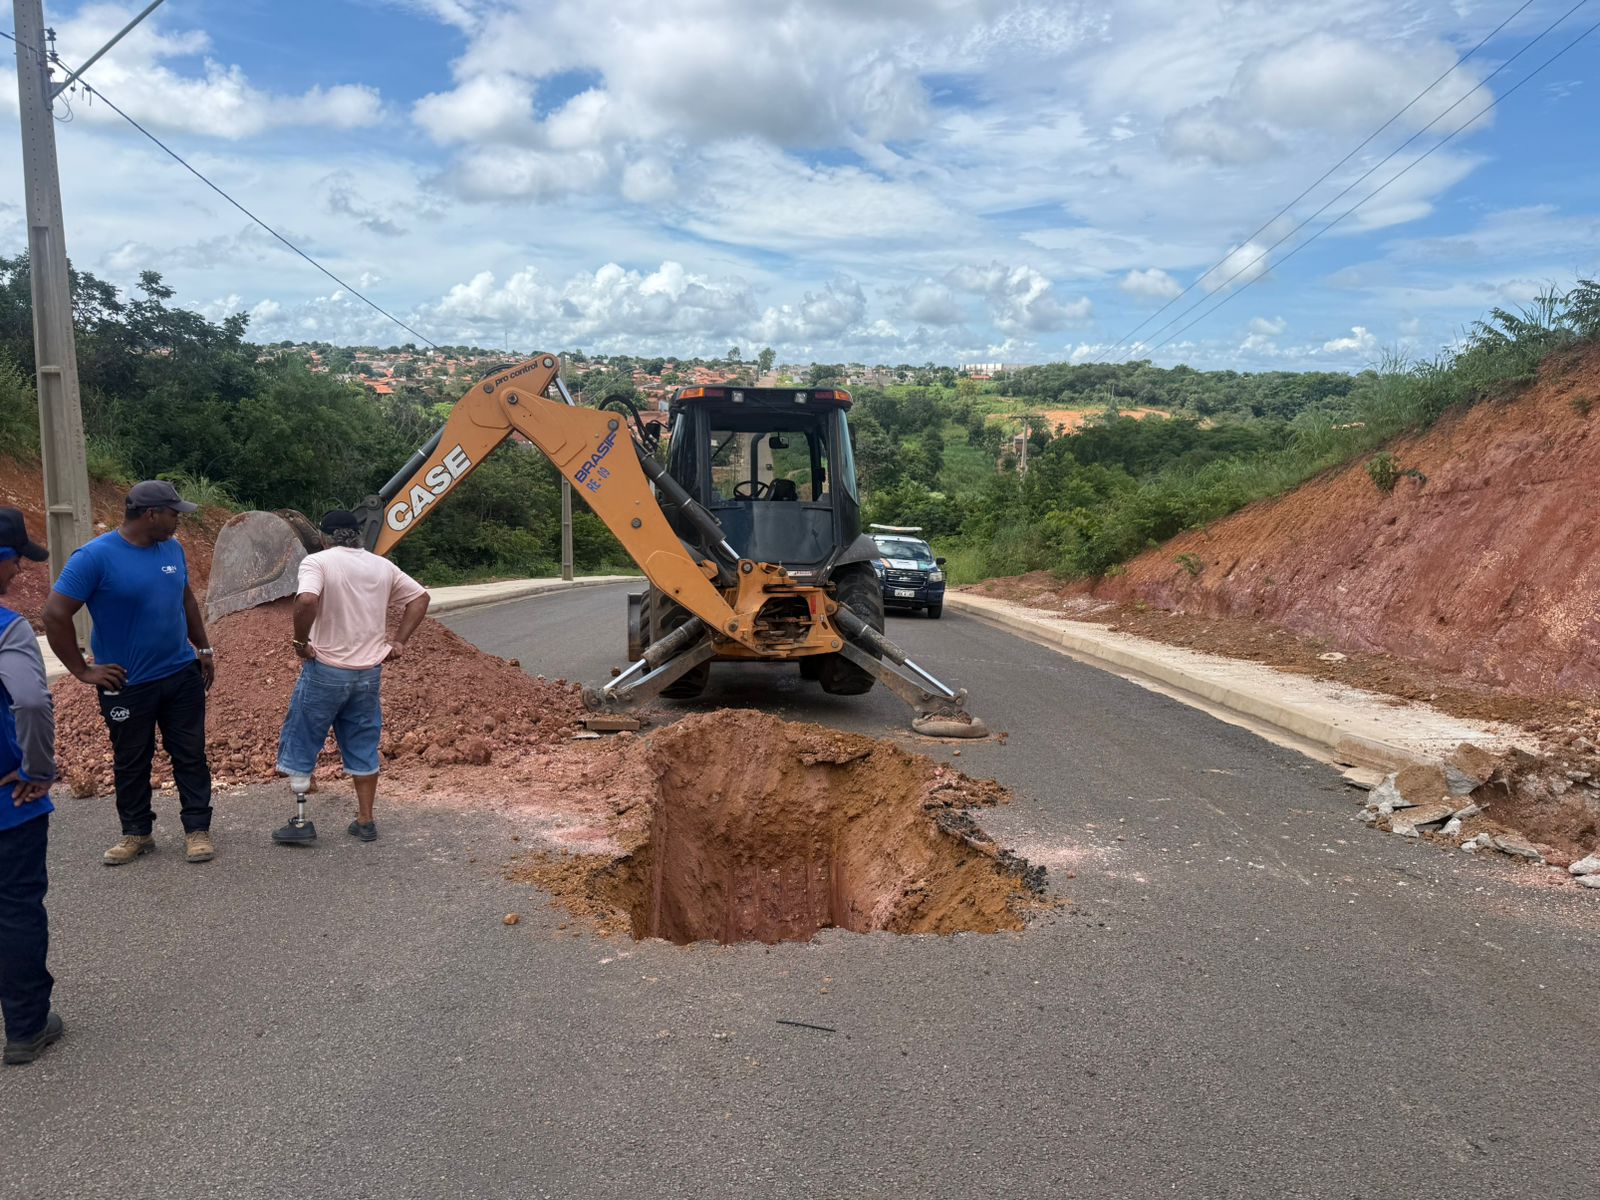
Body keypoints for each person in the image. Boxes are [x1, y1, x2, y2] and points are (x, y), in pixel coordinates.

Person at [42, 481, 217, 866]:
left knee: (190, 754)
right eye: (173, 513)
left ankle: (197, 829)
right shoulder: (94, 558)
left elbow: (185, 598)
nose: (178, 520)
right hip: (128, 683)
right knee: (132, 760)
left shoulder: (172, 548)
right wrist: (82, 670)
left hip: (180, 674)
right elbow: (54, 613)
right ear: (151, 514)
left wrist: (203, 648)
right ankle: (137, 832)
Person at [275, 511, 429, 841]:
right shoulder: (382, 566)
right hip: (368, 674)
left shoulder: (318, 562)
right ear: (358, 535)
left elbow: (306, 600)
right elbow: (420, 598)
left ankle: (301, 823)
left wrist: (300, 643)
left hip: (326, 670)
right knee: (363, 741)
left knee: (303, 737)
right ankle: (365, 820)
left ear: (323, 538)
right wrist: (399, 642)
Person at [0, 508, 62, 1065]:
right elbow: (30, 701)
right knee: (16, 907)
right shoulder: (8, 627)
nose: (21, 568)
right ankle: (26, 1027)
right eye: (17, 558)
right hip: (8, 801)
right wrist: (39, 770)